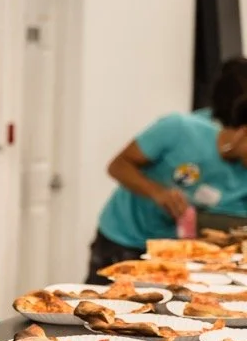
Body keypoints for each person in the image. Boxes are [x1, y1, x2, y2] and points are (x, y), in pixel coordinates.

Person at [87, 57, 247, 283]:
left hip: (174, 254)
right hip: (124, 238)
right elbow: (118, 166)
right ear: (243, 132)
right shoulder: (179, 129)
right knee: (98, 311)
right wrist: (157, 192)